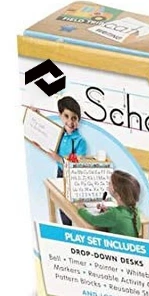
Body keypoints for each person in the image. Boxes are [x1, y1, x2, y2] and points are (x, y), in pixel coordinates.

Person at [48, 96, 88, 225]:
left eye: (74, 118)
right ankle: (67, 228)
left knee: (74, 206)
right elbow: (43, 131)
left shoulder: (80, 141)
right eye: (66, 116)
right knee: (62, 205)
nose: (70, 121)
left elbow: (76, 165)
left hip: (74, 177)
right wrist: (35, 115)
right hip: (60, 173)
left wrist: (59, 159)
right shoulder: (58, 134)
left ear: (79, 120)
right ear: (60, 115)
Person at [76, 170, 141, 237]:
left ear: (117, 194)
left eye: (110, 183)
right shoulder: (135, 210)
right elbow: (121, 214)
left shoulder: (114, 214)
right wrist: (108, 209)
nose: (108, 184)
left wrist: (80, 208)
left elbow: (93, 220)